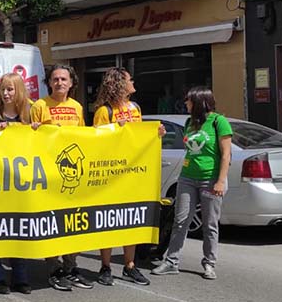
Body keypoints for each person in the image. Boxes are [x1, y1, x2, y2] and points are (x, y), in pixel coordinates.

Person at [153, 86, 232, 280]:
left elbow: (226, 154)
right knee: (180, 221)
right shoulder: (190, 122)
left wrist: (220, 181)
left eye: (188, 100)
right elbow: (185, 145)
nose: (185, 103)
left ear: (199, 102)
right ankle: (171, 261)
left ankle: (209, 263)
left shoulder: (219, 122)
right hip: (187, 178)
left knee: (209, 224)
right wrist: (161, 135)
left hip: (210, 179)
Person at [30, 64, 94, 292]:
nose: (59, 83)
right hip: (48, 174)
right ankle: (53, 269)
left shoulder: (77, 107)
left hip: (72, 176)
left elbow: (84, 137)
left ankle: (70, 267)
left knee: (73, 222)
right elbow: (28, 139)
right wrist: (34, 129)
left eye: (63, 79)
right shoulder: (39, 106)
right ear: (49, 82)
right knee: (51, 222)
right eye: (55, 79)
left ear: (71, 83)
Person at [93, 68, 152, 286]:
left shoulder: (135, 108)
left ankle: (130, 266)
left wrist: (156, 134)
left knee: (131, 220)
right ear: (118, 84)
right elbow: (96, 142)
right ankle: (105, 266)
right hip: (110, 173)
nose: (133, 82)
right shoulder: (104, 111)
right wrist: (115, 131)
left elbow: (139, 138)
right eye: (129, 79)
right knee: (108, 220)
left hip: (132, 173)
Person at [0, 73, 34, 295]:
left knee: (19, 229)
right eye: (3, 89)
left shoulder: (30, 115)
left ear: (19, 91)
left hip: (22, 183)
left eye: (10, 89)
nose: (6, 93)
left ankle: (20, 276)